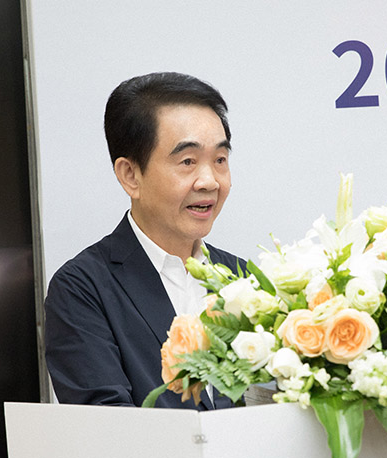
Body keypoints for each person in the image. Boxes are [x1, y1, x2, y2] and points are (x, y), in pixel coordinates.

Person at [44, 72, 244, 410]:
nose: (210, 181)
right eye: (188, 161)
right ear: (130, 175)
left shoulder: (243, 279)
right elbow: (106, 421)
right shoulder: (83, 288)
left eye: (220, 160)